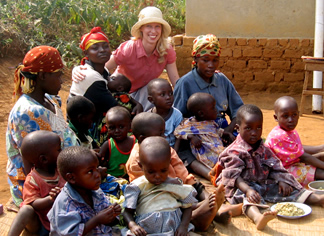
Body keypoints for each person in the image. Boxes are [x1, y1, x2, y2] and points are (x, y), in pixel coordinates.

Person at [126, 112, 243, 231]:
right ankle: (201, 214)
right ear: (142, 137)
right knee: (176, 206)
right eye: (160, 133)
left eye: (164, 132)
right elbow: (146, 186)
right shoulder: (137, 159)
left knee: (194, 184)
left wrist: (186, 183)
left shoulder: (164, 148)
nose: (165, 136)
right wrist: (175, 186)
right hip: (159, 195)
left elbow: (179, 168)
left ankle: (214, 205)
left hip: (177, 186)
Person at [216, 104, 324, 230]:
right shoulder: (234, 151)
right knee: (244, 198)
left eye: (258, 128)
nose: (254, 133)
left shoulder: (263, 148)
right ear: (238, 128)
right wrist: (248, 190)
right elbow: (234, 176)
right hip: (241, 185)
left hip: (263, 182)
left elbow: (275, 165)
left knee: (289, 189)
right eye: (249, 128)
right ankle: (257, 217)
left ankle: (317, 199)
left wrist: (281, 180)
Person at [6, 45, 77, 207]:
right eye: (58, 75)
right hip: (40, 187)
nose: (62, 80)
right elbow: (35, 166)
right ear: (43, 75)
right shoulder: (29, 112)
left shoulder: (49, 99)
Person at [73, 6, 179, 111]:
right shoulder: (129, 48)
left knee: (159, 89)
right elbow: (102, 66)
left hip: (145, 95)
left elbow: (176, 82)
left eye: (157, 26)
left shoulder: (166, 50)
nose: (153, 31)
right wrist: (80, 69)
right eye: (149, 26)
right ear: (141, 28)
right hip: (121, 94)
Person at [173, 34, 243, 186]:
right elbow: (177, 118)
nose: (211, 65)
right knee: (185, 154)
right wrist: (191, 136)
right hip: (195, 134)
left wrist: (230, 129)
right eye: (205, 60)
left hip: (221, 130)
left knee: (248, 143)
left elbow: (239, 110)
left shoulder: (222, 80)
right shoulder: (184, 83)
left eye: (215, 60)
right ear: (195, 59)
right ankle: (212, 175)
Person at [69, 26, 142, 146]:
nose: (102, 50)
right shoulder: (89, 76)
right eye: (95, 48)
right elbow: (115, 107)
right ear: (86, 53)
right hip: (86, 128)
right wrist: (136, 112)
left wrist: (137, 104)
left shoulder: (103, 71)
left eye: (105, 46)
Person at [122, 136, 198, 235]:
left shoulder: (174, 183)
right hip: (147, 232)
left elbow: (187, 207)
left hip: (175, 231)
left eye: (163, 170)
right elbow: (127, 212)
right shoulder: (137, 186)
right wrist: (133, 225)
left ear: (169, 163)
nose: (157, 176)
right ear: (141, 166)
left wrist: (183, 226)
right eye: (151, 172)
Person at [47, 146, 122, 235]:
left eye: (97, 168)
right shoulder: (65, 203)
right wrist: (97, 220)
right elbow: (70, 233)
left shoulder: (96, 191)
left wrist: (112, 213)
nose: (97, 174)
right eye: (90, 171)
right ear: (71, 178)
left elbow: (108, 219)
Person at [8, 131, 64, 236]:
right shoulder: (32, 179)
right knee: (26, 210)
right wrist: (51, 199)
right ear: (44, 159)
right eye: (58, 150)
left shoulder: (61, 170)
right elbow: (33, 203)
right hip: (42, 224)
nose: (62, 152)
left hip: (62, 221)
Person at [265, 96, 324, 186]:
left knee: (321, 156)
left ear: (298, 114)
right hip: (281, 171)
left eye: (294, 115)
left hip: (292, 163)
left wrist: (321, 148)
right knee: (320, 172)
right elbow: (304, 157)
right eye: (285, 116)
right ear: (276, 117)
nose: (291, 120)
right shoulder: (279, 135)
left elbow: (298, 148)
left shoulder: (289, 130)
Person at [174, 93, 227, 169]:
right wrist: (191, 137)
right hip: (206, 152)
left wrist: (226, 134)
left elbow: (214, 131)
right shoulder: (190, 123)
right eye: (213, 108)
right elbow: (177, 132)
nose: (216, 110)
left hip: (216, 147)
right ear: (201, 113)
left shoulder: (210, 121)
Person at [99, 106, 137, 178]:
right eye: (112, 128)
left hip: (134, 180)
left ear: (129, 126)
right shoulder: (108, 145)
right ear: (107, 128)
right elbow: (100, 164)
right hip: (112, 182)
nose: (117, 131)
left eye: (121, 127)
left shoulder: (136, 143)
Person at [147, 78, 182, 149]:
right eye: (163, 94)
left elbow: (179, 137)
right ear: (151, 100)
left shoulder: (177, 115)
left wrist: (174, 154)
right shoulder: (148, 117)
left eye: (171, 93)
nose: (168, 97)